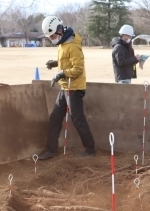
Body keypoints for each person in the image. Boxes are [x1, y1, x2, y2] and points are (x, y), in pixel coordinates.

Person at [39, 15, 95, 159]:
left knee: (77, 118)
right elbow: (66, 60)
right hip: (65, 87)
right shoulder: (63, 43)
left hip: (74, 87)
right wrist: (56, 63)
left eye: (52, 36)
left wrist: (61, 73)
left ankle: (90, 150)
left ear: (59, 30)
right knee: (55, 118)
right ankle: (51, 150)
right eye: (49, 37)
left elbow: (78, 69)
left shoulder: (73, 45)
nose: (51, 39)